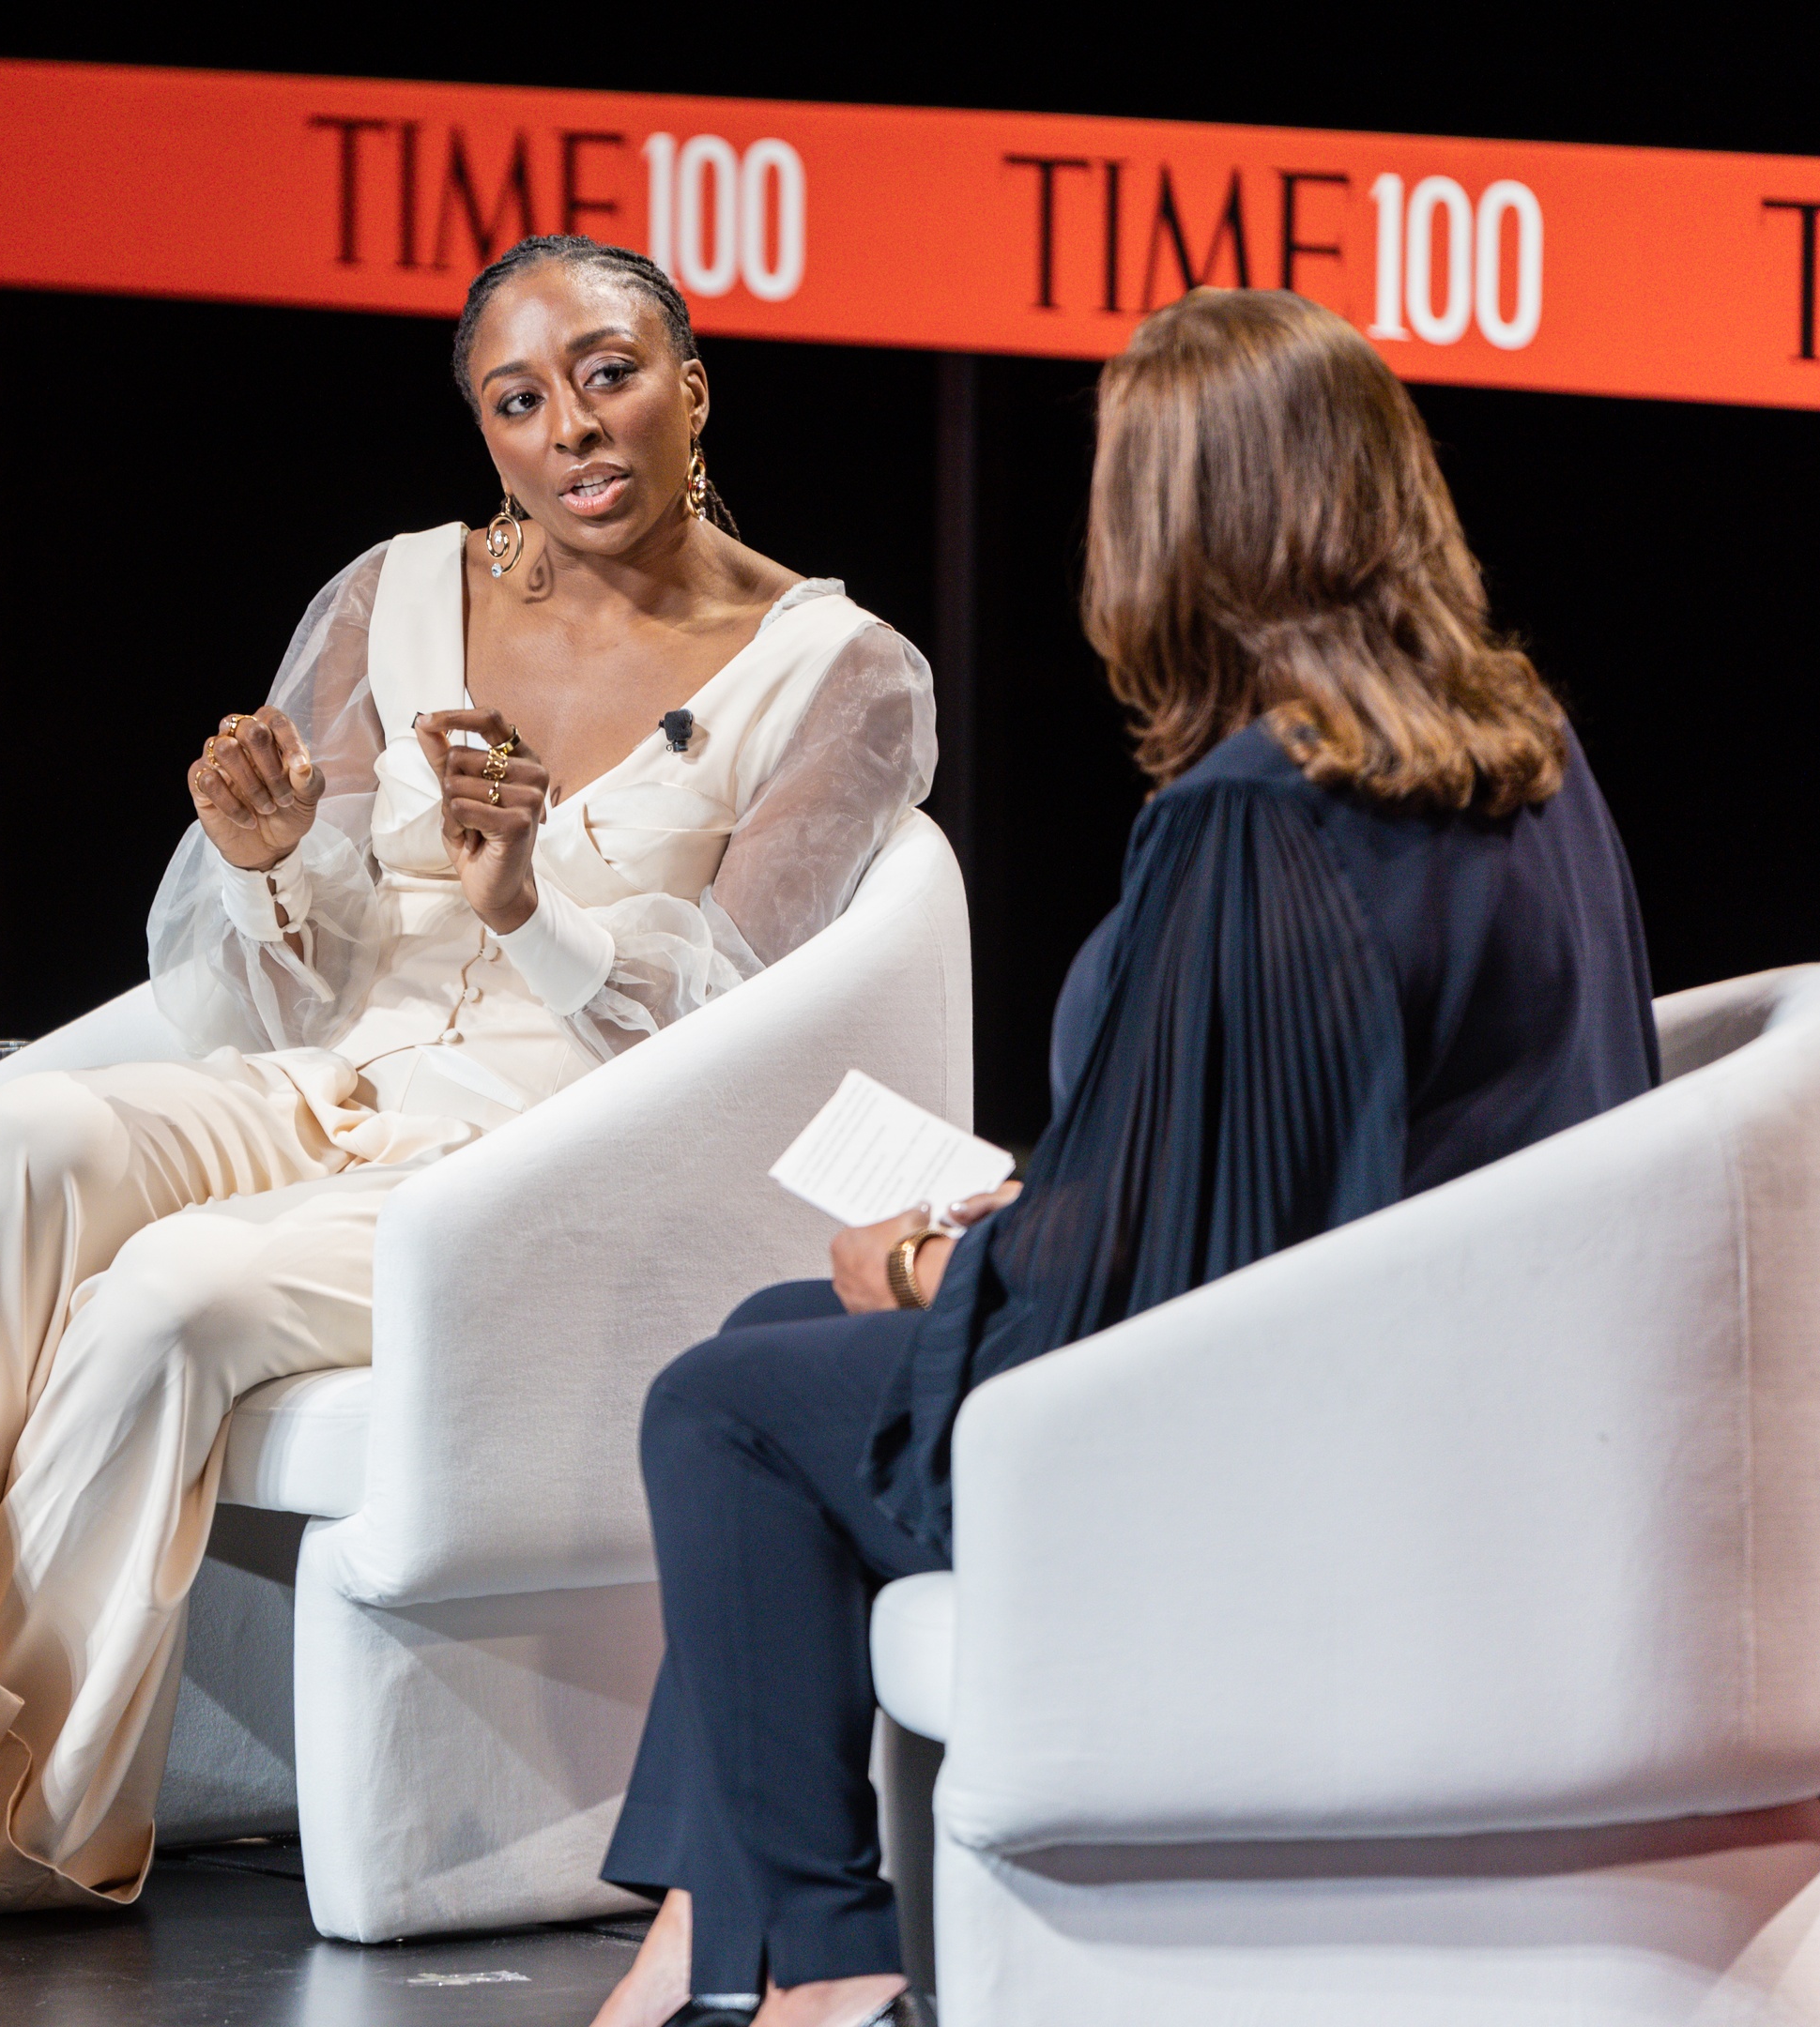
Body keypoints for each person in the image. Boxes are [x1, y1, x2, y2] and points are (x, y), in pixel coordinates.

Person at [0, 234, 937, 1949]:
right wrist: (265, 864)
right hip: (321, 1085)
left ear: (691, 384)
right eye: (518, 400)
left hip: (530, 1164)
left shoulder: (837, 669)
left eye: (609, 375)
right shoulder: (395, 592)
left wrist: (530, 906)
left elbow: (730, 1040)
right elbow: (275, 984)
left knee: (170, 1293)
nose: (572, 431)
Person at [585, 286, 1665, 2027]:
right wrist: (1056, 1199)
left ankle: (825, 1961)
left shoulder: (1257, 815)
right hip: (1473, 1404)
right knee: (772, 1334)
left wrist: (939, 1268)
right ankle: (726, 1920)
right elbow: (1319, 1157)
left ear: (1174, 536)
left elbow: (1180, 1288)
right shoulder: (1522, 753)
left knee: (717, 1409)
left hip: (1282, 1466)